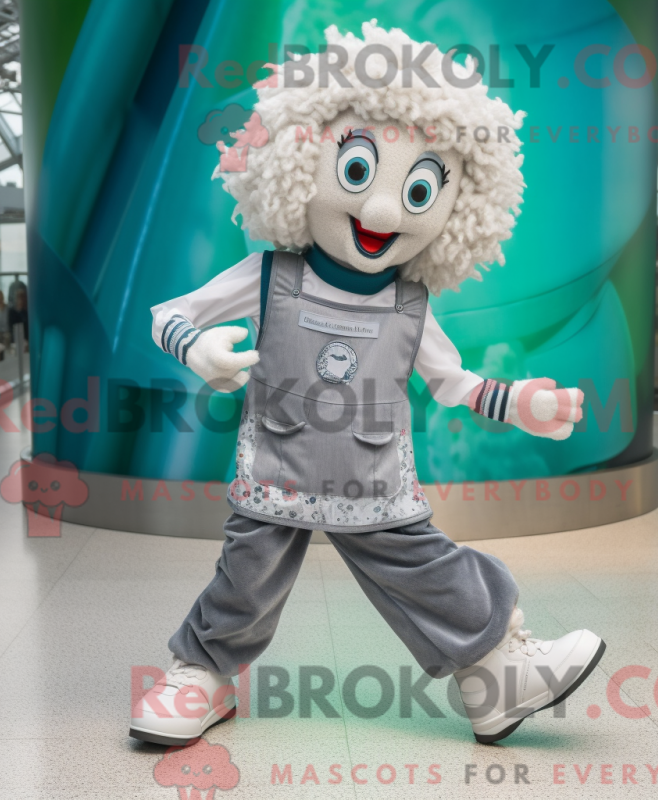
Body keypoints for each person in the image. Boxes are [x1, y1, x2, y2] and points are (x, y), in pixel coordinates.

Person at [130, 22, 605, 748]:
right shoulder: (269, 276)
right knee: (248, 575)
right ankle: (203, 672)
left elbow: (454, 383)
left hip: (376, 481)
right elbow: (167, 315)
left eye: (419, 189)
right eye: (357, 170)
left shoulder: (412, 304)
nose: (383, 213)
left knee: (430, 569)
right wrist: (196, 348)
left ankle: (496, 674)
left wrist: (518, 403)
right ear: (298, 159)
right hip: (276, 471)